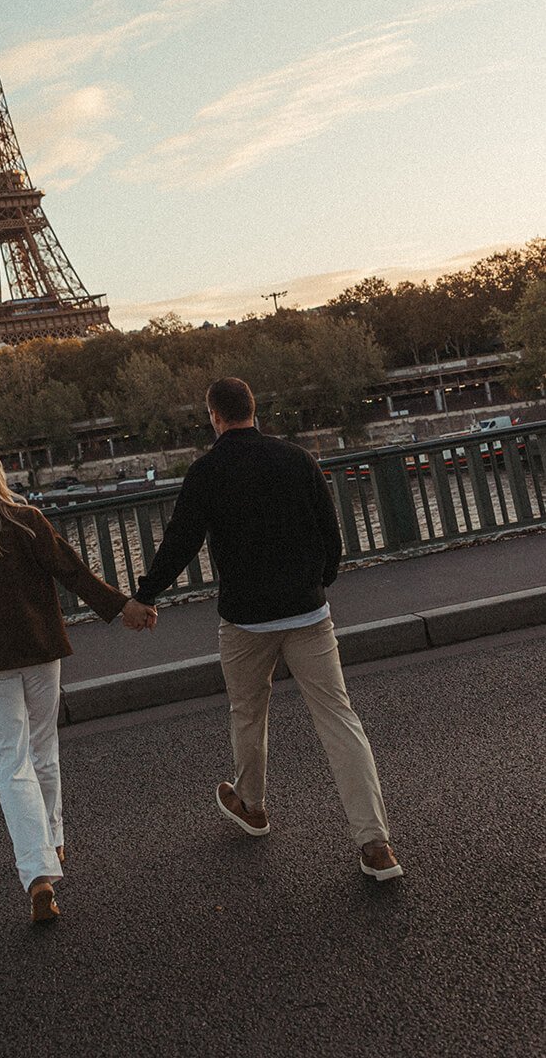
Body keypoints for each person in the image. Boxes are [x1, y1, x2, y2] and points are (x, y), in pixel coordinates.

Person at [135, 377, 403, 882]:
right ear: (253, 410)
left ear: (214, 416)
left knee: (248, 711)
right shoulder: (296, 458)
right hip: (307, 612)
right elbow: (330, 533)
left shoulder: (207, 471)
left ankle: (252, 804)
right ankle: (375, 845)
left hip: (245, 619)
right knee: (339, 720)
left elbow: (180, 543)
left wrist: (146, 595)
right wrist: (317, 583)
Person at [0, 440, 157, 922]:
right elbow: (73, 572)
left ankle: (37, 873)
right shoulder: (29, 521)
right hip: (40, 649)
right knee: (43, 748)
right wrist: (121, 608)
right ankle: (52, 841)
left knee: (10, 760)